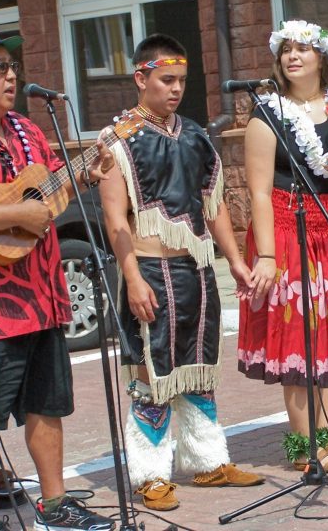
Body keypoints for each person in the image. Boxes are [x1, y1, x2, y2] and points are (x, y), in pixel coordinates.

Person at [0, 27, 115, 531]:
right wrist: (16, 213)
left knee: (46, 405)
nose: (11, 76)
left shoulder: (27, 130)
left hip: (42, 296)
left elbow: (51, 185)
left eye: (12, 66)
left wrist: (87, 171)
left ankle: (56, 507)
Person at [99, 33, 264, 512]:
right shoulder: (117, 140)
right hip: (149, 269)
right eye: (166, 79)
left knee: (198, 370)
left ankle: (208, 461)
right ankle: (150, 475)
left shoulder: (195, 135)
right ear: (141, 77)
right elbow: (114, 219)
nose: (175, 89)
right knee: (152, 375)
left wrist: (235, 261)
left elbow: (214, 207)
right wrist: (132, 278)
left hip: (196, 268)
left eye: (181, 81)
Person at [238, 20, 328, 471]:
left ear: (322, 57)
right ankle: (305, 444)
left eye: (302, 49)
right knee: (299, 337)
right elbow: (258, 191)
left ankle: (327, 437)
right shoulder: (267, 113)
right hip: (286, 228)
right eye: (286, 50)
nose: (292, 57)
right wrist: (267, 256)